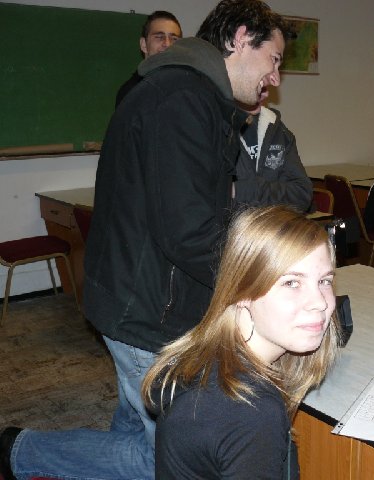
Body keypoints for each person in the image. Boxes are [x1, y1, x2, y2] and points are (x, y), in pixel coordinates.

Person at [0, 1, 287, 479]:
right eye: (273, 59)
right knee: (162, 460)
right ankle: (19, 452)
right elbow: (190, 232)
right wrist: (258, 281)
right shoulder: (183, 100)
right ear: (240, 39)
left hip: (141, 295)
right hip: (148, 311)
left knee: (136, 425)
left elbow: (196, 209)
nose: (275, 77)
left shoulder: (185, 92)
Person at [143, 205, 340, 478]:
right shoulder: (249, 411)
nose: (319, 303)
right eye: (291, 283)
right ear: (243, 290)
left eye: (324, 281)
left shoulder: (211, 356)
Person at [234, 99, 312, 212]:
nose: (266, 94)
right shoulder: (214, 128)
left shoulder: (277, 130)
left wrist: (245, 191)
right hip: (231, 223)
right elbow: (214, 197)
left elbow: (302, 195)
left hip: (273, 222)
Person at [115, 10, 183, 106]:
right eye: (159, 37)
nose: (167, 44)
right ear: (144, 45)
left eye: (174, 39)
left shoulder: (185, 88)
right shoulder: (132, 92)